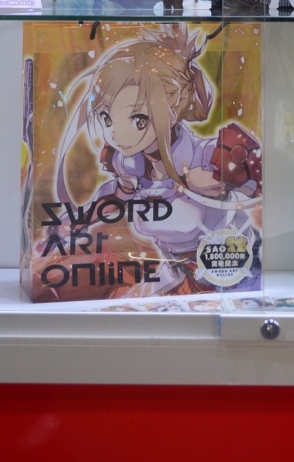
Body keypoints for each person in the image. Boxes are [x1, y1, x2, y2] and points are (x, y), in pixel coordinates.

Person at [54, 25, 262, 296]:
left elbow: (260, 180)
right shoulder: (130, 163)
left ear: (173, 111)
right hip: (177, 275)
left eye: (138, 119)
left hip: (236, 272)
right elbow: (117, 197)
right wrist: (80, 219)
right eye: (106, 118)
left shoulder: (208, 156)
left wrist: (220, 180)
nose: (115, 134)